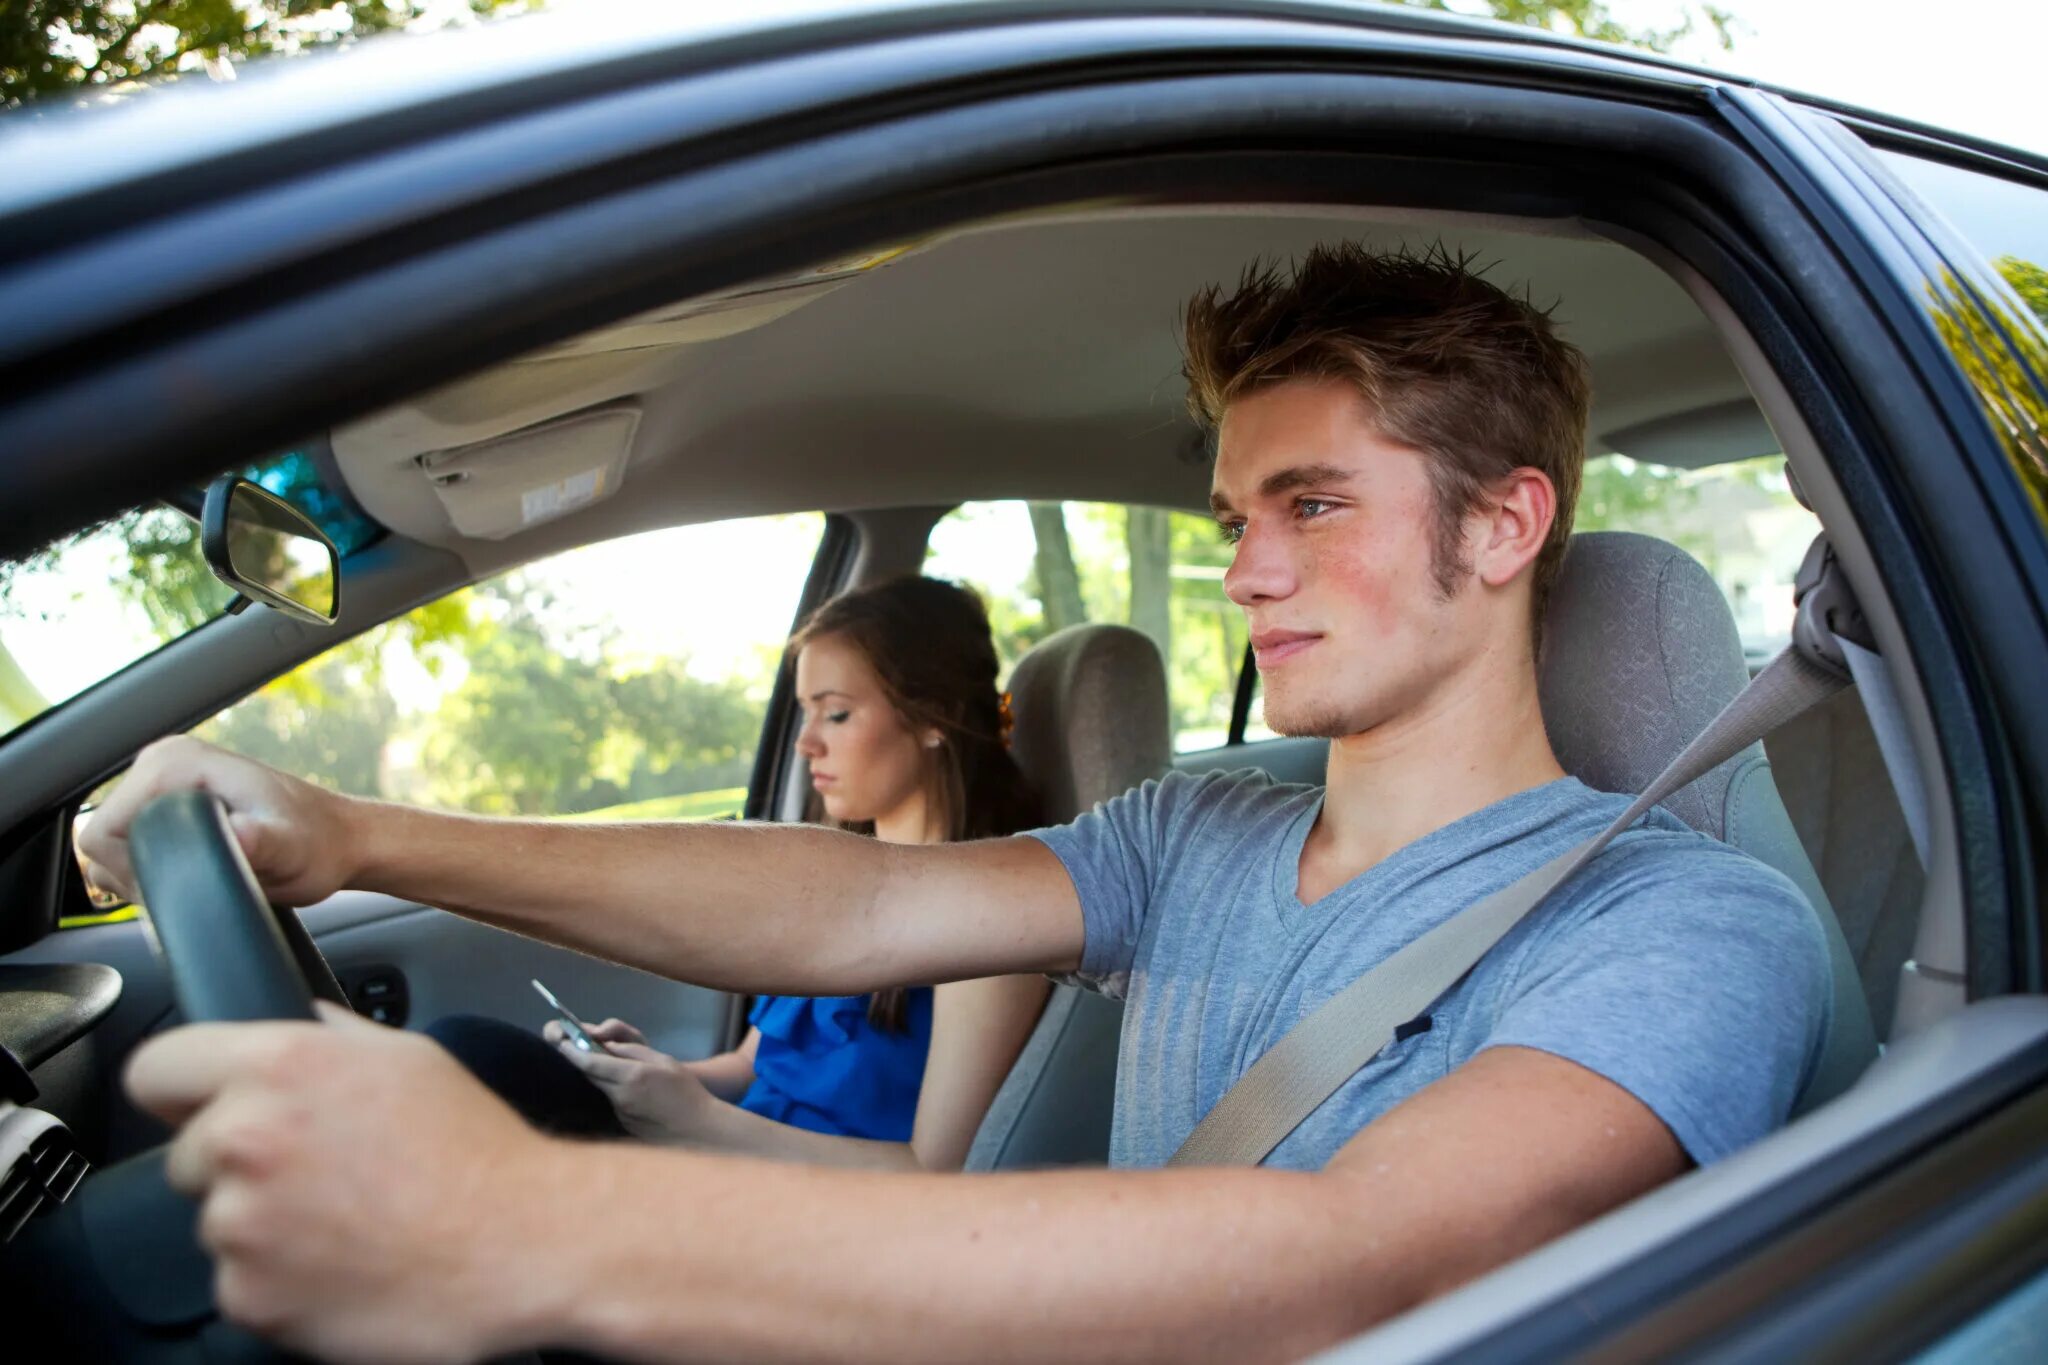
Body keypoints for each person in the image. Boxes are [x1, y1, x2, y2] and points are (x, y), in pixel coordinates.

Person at [82, 243, 1829, 1364]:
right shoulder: (1189, 832)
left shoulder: (1680, 920)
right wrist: (359, 832)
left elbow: (1359, 1264)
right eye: (1234, 519)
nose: (1248, 572)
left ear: (1504, 526)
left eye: (1313, 507)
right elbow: (853, 908)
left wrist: (517, 1220)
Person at [447, 575, 1050, 1168]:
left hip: (810, 1221)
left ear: (932, 717)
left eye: (836, 714)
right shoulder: (826, 878)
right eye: (805, 714)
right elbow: (748, 1069)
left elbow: (932, 1174)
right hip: (725, 1165)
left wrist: (697, 1121)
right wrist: (653, 1075)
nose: (805, 743)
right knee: (468, 1055)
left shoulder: (992, 922)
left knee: (469, 1057)